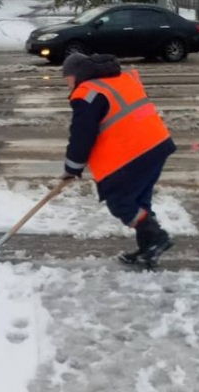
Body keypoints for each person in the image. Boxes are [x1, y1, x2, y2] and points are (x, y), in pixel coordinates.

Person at [60, 53, 176, 267]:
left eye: (66, 78)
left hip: (135, 152)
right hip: (157, 145)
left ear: (75, 74)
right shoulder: (118, 80)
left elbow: (82, 135)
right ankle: (148, 250)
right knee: (139, 201)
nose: (67, 84)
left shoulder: (88, 93)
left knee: (120, 202)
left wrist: (72, 168)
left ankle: (158, 238)